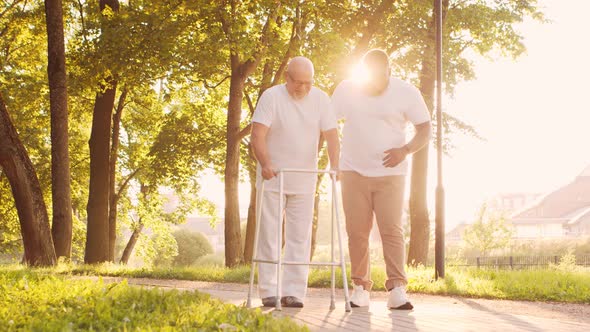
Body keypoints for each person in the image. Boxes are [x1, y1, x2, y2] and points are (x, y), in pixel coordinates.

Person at [331, 49, 432, 310]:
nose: (374, 84)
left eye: (380, 78)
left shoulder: (406, 92)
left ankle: (397, 288)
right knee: (357, 231)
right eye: (369, 78)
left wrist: (406, 150)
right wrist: (333, 161)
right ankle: (360, 288)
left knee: (391, 230)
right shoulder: (347, 89)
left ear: (389, 71)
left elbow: (425, 129)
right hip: (353, 171)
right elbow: (328, 123)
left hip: (391, 174)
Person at [250, 56, 340, 308]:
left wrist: (335, 165)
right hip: (273, 176)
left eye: (308, 83)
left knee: (299, 237)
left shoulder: (321, 99)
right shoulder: (271, 97)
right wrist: (265, 163)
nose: (302, 88)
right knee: (269, 233)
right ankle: (268, 290)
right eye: (297, 82)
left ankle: (293, 292)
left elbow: (332, 136)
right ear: (286, 78)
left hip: (304, 178)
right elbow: (258, 134)